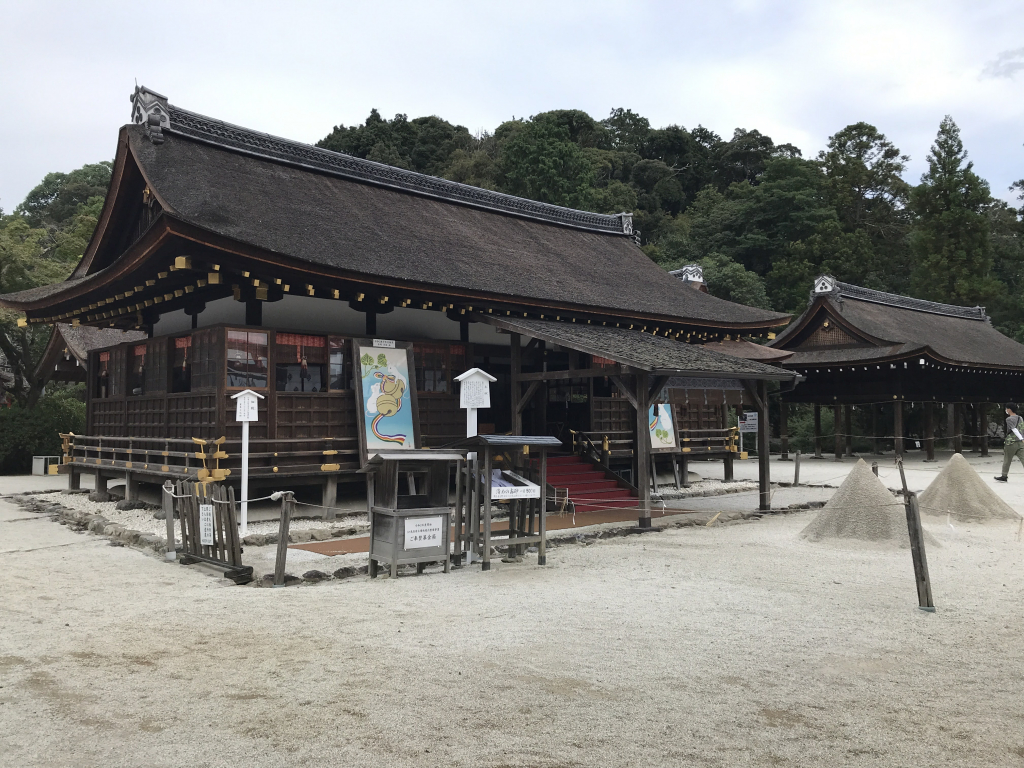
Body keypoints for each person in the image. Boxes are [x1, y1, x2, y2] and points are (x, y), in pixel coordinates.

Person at [994, 402, 1024, 481]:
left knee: (1007, 459)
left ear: (1009, 409)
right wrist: (1022, 438)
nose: (1006, 410)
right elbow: (1021, 429)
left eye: (1006, 408)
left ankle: (1004, 476)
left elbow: (1014, 429)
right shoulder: (1020, 418)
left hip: (1011, 442)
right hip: (1020, 443)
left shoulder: (1009, 419)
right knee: (1023, 458)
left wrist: (1021, 438)